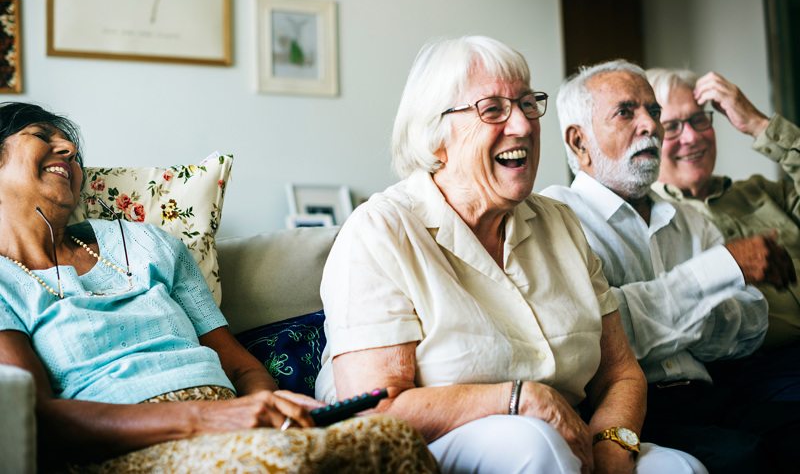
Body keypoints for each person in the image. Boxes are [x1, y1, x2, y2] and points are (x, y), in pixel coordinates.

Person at [314, 36, 705, 474]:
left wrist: (613, 443)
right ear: (436, 134)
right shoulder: (380, 231)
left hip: (570, 438)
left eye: (526, 103)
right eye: (494, 109)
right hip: (439, 449)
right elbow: (373, 410)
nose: (522, 125)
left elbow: (620, 373)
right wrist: (521, 399)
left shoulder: (560, 222)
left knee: (681, 468)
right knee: (533, 444)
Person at [0, 102, 438, 473]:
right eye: (43, 136)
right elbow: (36, 416)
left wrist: (265, 409)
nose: (71, 150)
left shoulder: (147, 243)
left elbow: (241, 367)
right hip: (127, 446)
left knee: (392, 436)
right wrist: (208, 418)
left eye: (73, 150)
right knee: (275, 464)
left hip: (234, 421)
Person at [540, 59, 798, 473]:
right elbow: (600, 336)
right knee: (745, 460)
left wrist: (656, 313)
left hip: (712, 395)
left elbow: (750, 325)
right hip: (633, 412)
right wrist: (718, 273)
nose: (651, 126)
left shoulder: (690, 219)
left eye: (653, 111)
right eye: (627, 112)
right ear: (578, 142)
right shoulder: (556, 216)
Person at [647, 68, 800, 360]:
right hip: (759, 373)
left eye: (698, 119)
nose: (691, 137)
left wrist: (758, 124)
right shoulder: (652, 223)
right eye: (671, 126)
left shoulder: (763, 192)